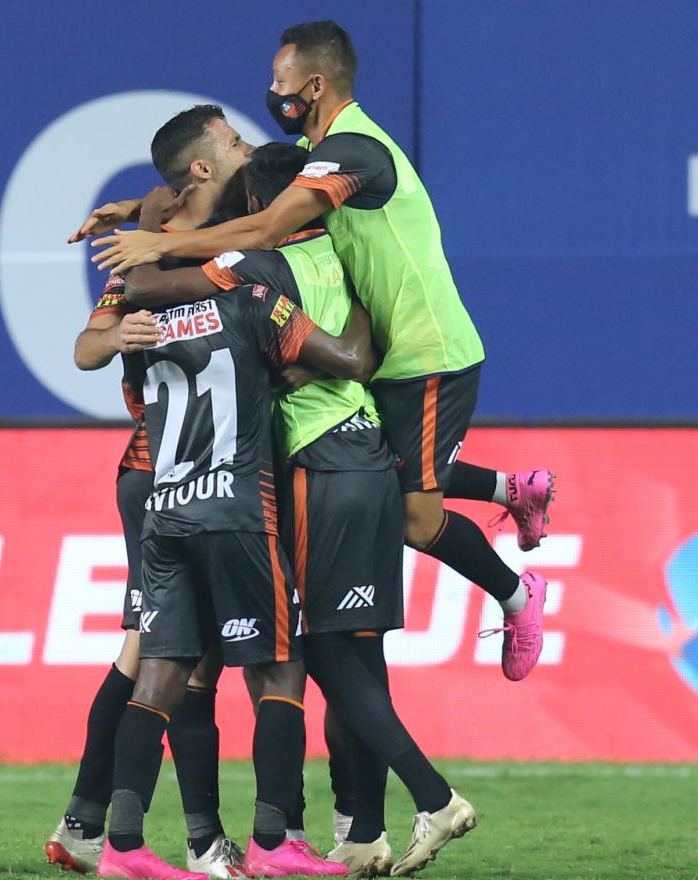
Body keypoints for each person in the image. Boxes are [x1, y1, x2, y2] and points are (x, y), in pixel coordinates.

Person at [88, 21, 553, 685]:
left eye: (279, 84)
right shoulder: (318, 146)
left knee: (415, 518)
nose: (271, 95)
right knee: (383, 478)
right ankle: (513, 490)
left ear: (313, 84)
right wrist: (139, 206)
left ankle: (518, 594)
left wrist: (157, 244)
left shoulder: (354, 149)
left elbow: (269, 222)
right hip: (389, 353)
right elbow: (247, 181)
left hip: (427, 352)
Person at [120, 141, 478, 878]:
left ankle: (414, 802)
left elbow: (146, 303)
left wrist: (149, 238)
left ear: (257, 209)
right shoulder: (342, 255)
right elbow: (357, 355)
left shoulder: (254, 271)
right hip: (373, 456)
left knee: (289, 654)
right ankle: (361, 833)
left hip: (304, 466)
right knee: (356, 651)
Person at [95, 266, 376, 877]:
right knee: (281, 668)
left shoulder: (141, 327)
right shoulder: (252, 301)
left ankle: (122, 847)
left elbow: (105, 368)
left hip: (163, 514)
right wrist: (363, 302)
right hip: (237, 513)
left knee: (160, 676)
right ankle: (274, 844)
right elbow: (350, 360)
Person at [46, 105, 253, 878]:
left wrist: (141, 213)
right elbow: (85, 347)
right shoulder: (156, 270)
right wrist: (118, 333)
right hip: (161, 472)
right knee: (172, 656)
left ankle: (89, 826)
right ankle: (195, 841)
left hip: (195, 470)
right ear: (197, 175)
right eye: (229, 140)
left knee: (152, 654)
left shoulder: (182, 232)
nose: (244, 147)